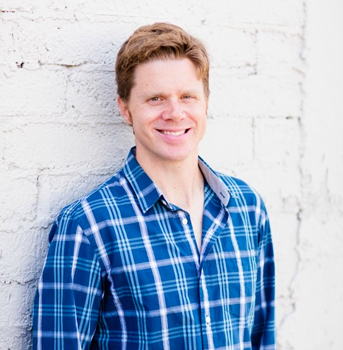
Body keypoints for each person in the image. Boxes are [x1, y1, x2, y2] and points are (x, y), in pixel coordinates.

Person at [33, 22, 276, 350]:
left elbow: (263, 337)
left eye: (187, 96)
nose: (175, 113)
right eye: (155, 98)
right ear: (125, 109)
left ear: (205, 102)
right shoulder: (88, 227)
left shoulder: (248, 209)